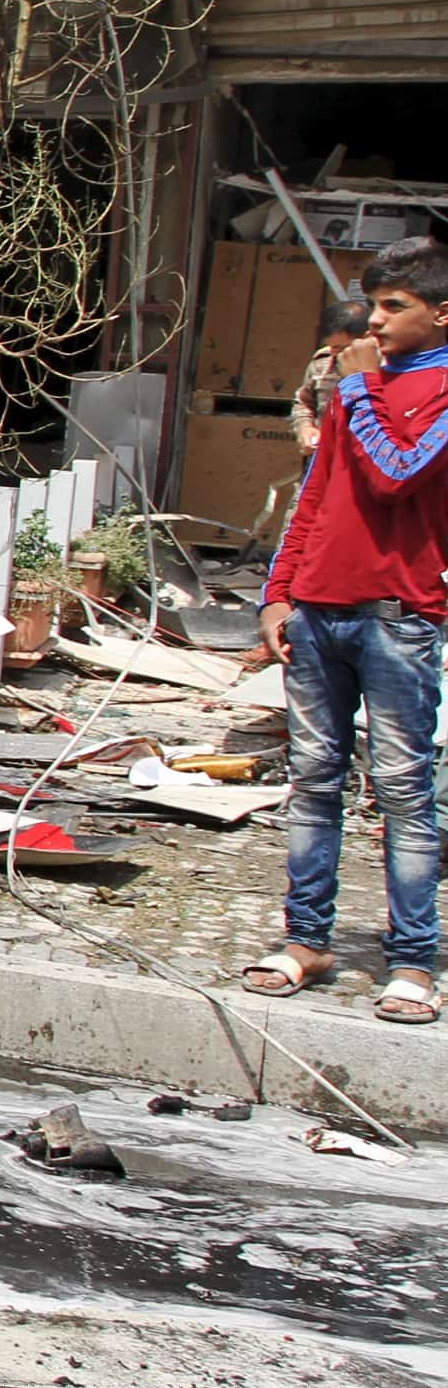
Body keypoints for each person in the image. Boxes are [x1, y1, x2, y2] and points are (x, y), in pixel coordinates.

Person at [246, 237, 448, 1028]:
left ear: (441, 313)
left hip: (400, 615)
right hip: (318, 611)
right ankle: (308, 939)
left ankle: (412, 960)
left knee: (402, 789)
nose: (374, 319)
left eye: (393, 307)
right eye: (372, 303)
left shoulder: (407, 390)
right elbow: (319, 496)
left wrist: (361, 391)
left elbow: (396, 474)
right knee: (313, 781)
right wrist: (276, 592)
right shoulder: (356, 391)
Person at [291, 293, 375, 454]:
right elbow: (304, 402)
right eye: (332, 347)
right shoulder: (321, 364)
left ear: (368, 337)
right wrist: (305, 429)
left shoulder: (385, 368)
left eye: (343, 347)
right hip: (325, 456)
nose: (335, 354)